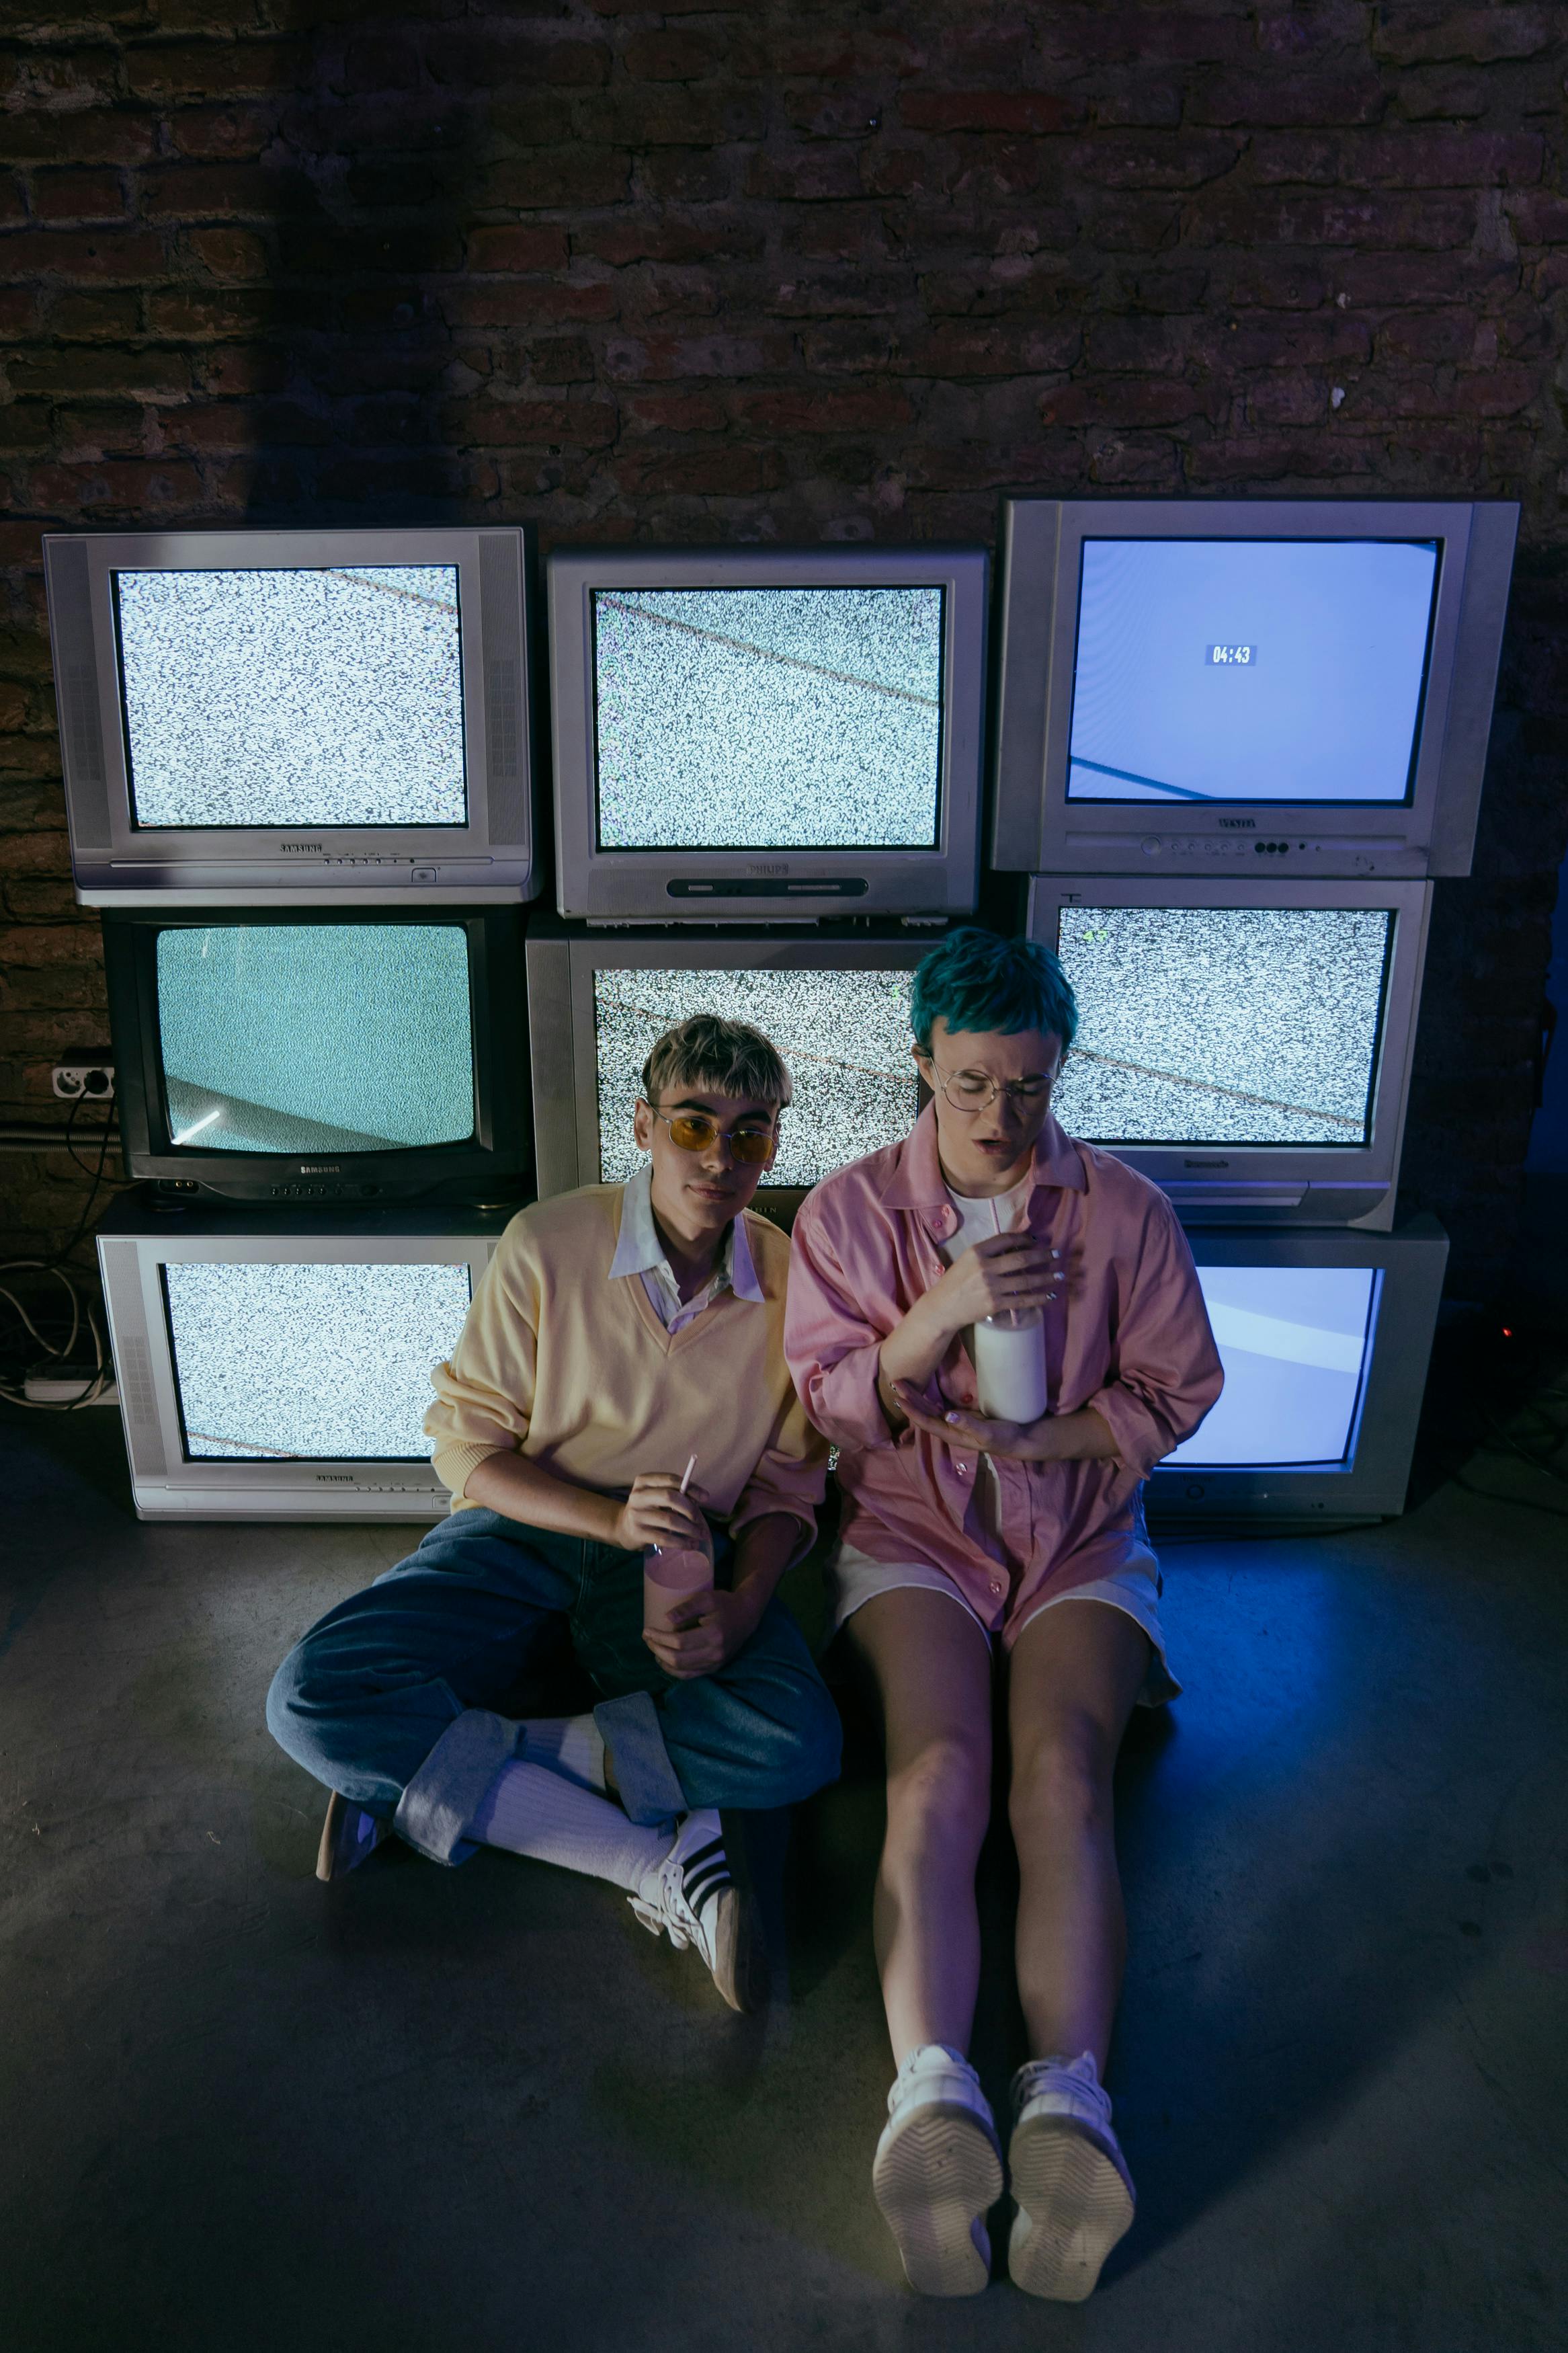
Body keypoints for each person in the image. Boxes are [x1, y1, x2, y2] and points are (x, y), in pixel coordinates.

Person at [784, 926, 1223, 2299]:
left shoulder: (1125, 1211)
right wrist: (947, 1309)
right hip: (917, 1529)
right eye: (971, 1083)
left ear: (1057, 1072)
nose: (998, 1117)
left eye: (1027, 1088)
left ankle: (1067, 2107)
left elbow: (1178, 1388)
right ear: (923, 1061)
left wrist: (1071, 1435)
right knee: (940, 1773)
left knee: (1059, 1784)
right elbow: (829, 1402)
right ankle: (932, 2096)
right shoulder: (852, 1212)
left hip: (1077, 1531)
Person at [267, 1014, 841, 2013]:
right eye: (694, 1125)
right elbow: (469, 1448)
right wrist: (605, 1520)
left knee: (799, 1741)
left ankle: (434, 1764)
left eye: (750, 1132)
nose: (720, 1157)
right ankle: (647, 1862)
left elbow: (788, 1488)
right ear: (642, 1126)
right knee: (309, 1697)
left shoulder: (791, 1279)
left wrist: (747, 1601)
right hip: (531, 1523)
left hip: (675, 1551)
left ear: (774, 1146)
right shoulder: (546, 1241)